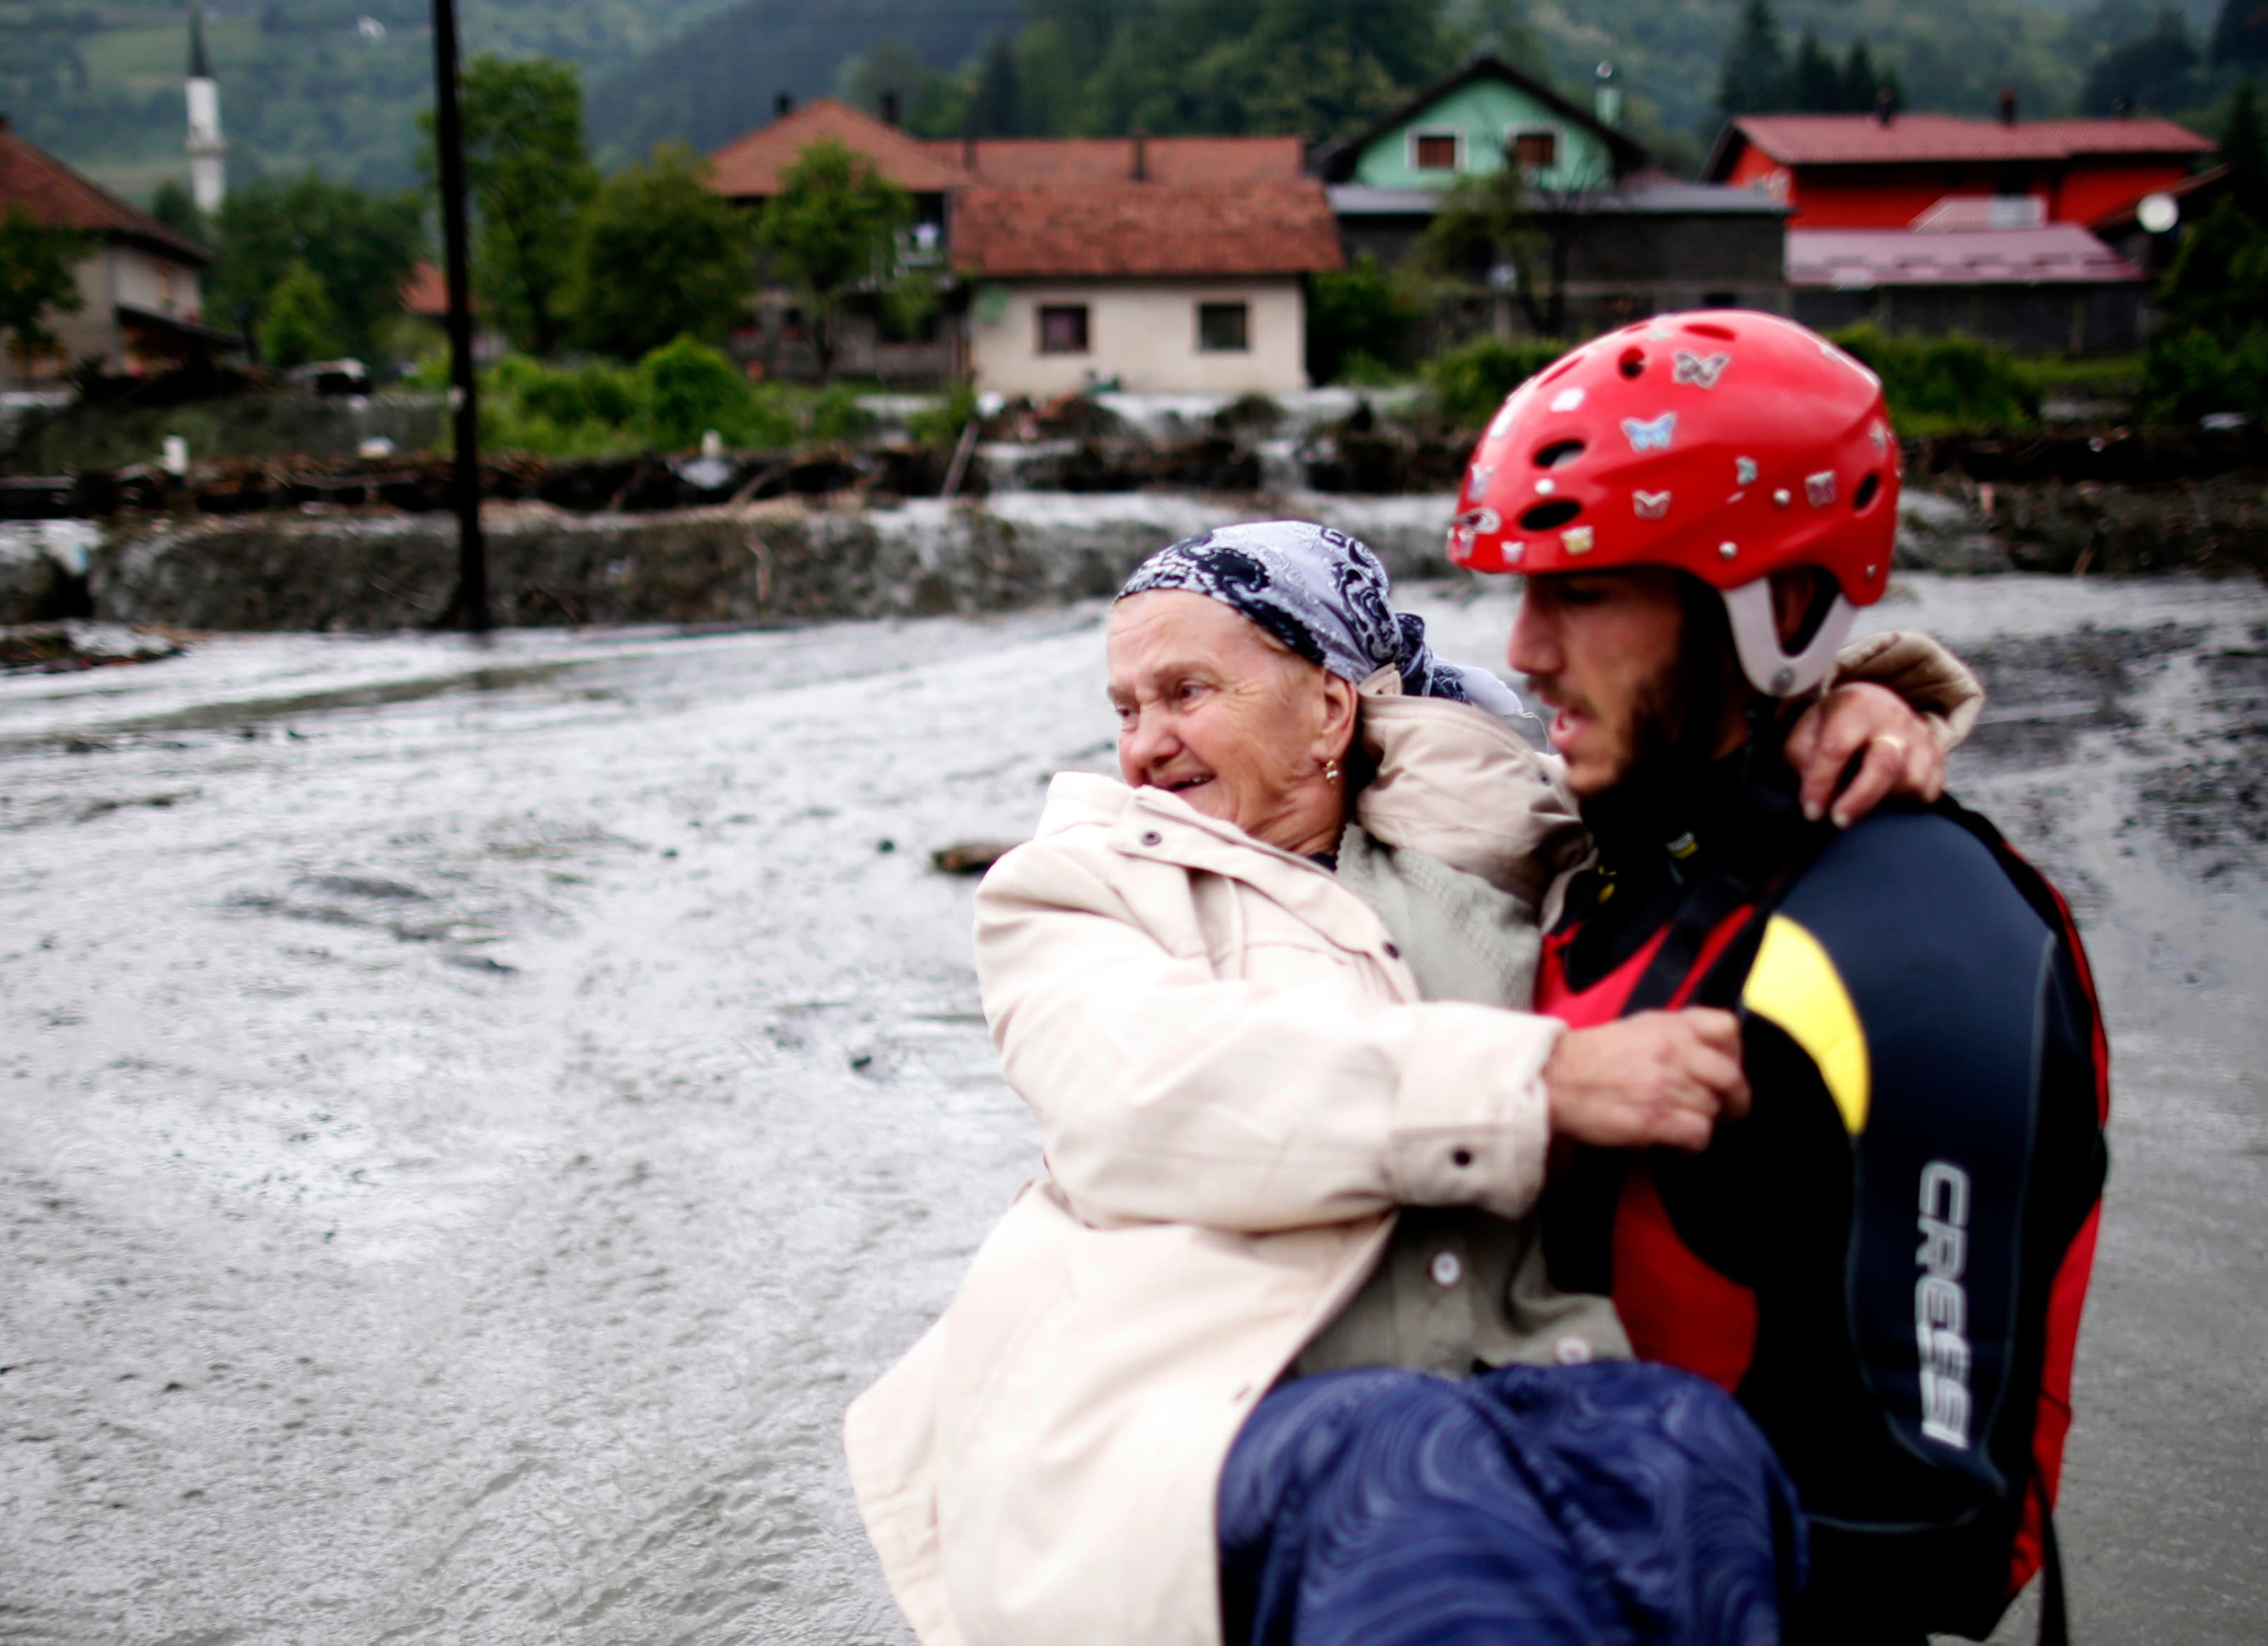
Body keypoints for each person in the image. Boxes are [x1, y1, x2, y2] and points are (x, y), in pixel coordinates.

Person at [845, 514, 1981, 1646]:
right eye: (1126, 708)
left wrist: (1848, 710)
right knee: (1413, 1486)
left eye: (1185, 692)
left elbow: (1689, 767)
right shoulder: (1078, 887)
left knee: (1695, 1462)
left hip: (1514, 1366)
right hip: (1202, 1407)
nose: (1144, 745)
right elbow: (1153, 1089)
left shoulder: (1511, 841)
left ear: (1331, 708)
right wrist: (1540, 1080)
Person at [1453, 310, 2109, 1645]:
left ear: (1778, 603)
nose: (1523, 651)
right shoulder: (1614, 851)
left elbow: (1926, 1534)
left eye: (1581, 591)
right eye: (1522, 590)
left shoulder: (1917, 936)